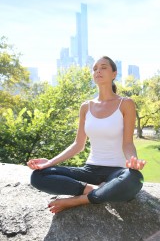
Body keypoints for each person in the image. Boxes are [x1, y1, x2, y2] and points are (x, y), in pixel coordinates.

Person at [27, 56, 146, 214]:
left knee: (134, 178)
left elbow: (128, 143)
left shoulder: (126, 104)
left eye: (103, 67)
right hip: (89, 171)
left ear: (114, 73)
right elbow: (78, 144)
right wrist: (49, 162)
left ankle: (78, 200)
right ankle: (93, 190)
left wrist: (133, 161)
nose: (98, 71)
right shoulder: (86, 107)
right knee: (38, 176)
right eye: (95, 68)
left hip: (117, 172)